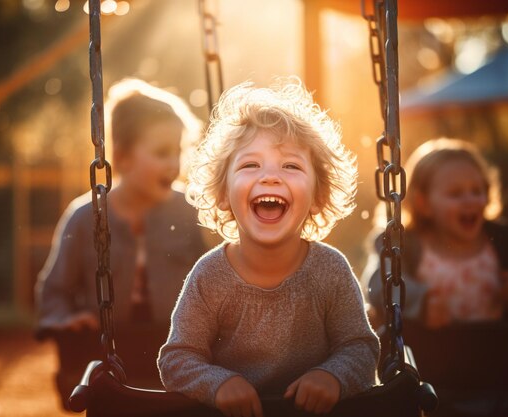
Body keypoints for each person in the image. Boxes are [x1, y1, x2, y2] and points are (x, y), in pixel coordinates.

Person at [157, 78, 380, 417]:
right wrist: (217, 382)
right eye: (250, 165)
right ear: (222, 194)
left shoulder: (329, 270)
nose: (271, 177)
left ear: (318, 197)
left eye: (291, 166)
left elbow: (360, 347)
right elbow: (177, 359)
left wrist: (332, 375)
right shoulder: (210, 276)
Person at [35, 79, 208, 405]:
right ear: (123, 157)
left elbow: (220, 275)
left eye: (178, 151)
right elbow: (54, 289)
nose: (174, 164)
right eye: (161, 152)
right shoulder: (86, 217)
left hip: (175, 346)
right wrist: (65, 320)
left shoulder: (193, 213)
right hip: (108, 350)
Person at [362, 138, 508, 329]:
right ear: (423, 204)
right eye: (456, 194)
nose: (470, 200)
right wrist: (420, 303)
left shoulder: (504, 239)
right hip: (433, 356)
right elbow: (378, 283)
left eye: (477, 191)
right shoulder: (405, 245)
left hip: (504, 352)